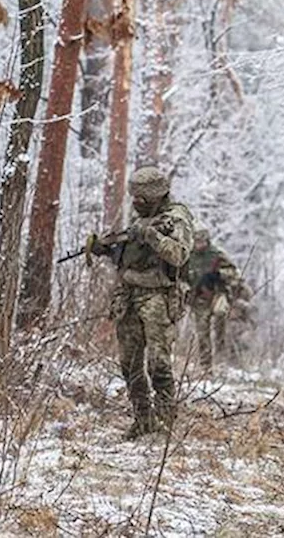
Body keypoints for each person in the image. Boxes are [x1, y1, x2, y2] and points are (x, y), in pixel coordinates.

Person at [93, 166, 194, 439]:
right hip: (129, 295)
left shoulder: (176, 218)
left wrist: (151, 235)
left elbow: (179, 255)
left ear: (156, 196)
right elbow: (130, 257)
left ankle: (163, 421)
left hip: (159, 296)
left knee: (158, 363)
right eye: (133, 197)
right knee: (129, 363)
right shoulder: (141, 219)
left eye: (141, 198)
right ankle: (143, 419)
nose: (135, 203)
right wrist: (108, 250)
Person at [185, 227, 247, 374]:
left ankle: (221, 361)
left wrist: (218, 275)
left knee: (220, 321)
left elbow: (235, 273)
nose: (198, 245)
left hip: (217, 295)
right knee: (202, 333)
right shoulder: (189, 256)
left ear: (207, 241)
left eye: (201, 241)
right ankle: (206, 367)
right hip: (199, 299)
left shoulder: (217, 255)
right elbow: (180, 276)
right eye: (196, 242)